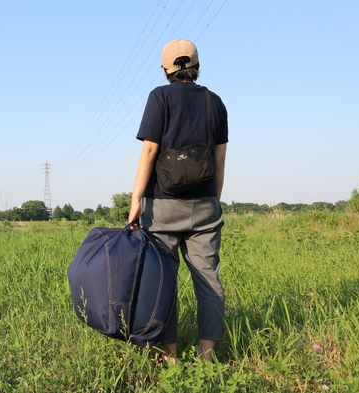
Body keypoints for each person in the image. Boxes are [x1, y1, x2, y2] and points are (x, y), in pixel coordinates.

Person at [127, 39, 228, 364]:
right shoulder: (216, 103)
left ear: (165, 69)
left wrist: (136, 200)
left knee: (163, 281)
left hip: (163, 206)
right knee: (208, 280)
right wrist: (213, 200)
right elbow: (220, 160)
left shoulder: (160, 97)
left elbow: (150, 150)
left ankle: (169, 356)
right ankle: (207, 358)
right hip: (205, 205)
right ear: (196, 66)